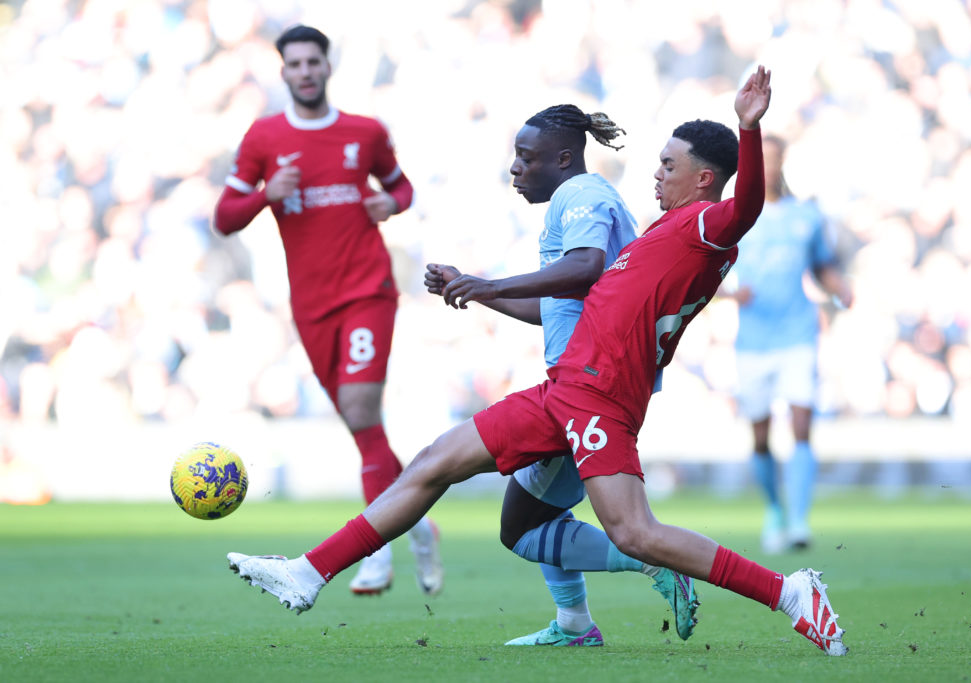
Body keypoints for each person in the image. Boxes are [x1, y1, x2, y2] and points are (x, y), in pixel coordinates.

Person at [226, 66, 849, 657]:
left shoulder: (706, 227)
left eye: (668, 165)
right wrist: (483, 291)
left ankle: (789, 592)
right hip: (564, 390)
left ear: (705, 179)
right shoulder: (660, 233)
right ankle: (309, 572)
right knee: (434, 463)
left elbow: (746, 211)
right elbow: (573, 300)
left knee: (635, 533)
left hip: (601, 397)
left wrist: (748, 126)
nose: (656, 174)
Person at [423, 104, 697, 647]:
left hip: (588, 391)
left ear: (564, 158)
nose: (516, 168)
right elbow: (559, 301)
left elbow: (587, 265)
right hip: (585, 385)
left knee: (521, 530)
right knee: (537, 516)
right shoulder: (575, 202)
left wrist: (491, 284)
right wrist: (475, 290)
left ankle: (657, 562)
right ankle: (575, 623)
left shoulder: (584, 197)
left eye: (526, 157)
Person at [211, 25, 442, 597]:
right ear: (284, 72)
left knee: (362, 407)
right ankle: (420, 527)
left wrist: (390, 202)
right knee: (365, 432)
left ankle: (376, 552)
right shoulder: (265, 138)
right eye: (295, 63)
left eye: (314, 61)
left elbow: (402, 188)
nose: (306, 71)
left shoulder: (363, 133)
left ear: (327, 67)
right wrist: (267, 193)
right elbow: (224, 216)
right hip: (311, 307)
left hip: (367, 292)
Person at [726, 134, 854, 553]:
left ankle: (799, 520)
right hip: (753, 340)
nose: (766, 168)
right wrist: (730, 295)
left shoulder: (805, 216)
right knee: (760, 436)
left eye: (772, 159)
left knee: (801, 426)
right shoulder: (736, 216)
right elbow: (709, 270)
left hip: (798, 333)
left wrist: (841, 288)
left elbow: (821, 266)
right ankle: (775, 509)